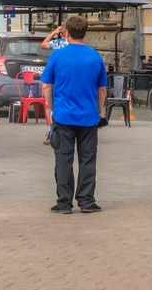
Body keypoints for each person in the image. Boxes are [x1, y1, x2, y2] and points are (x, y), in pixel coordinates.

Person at [42, 15, 108, 213]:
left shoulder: (58, 55)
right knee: (88, 159)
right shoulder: (95, 56)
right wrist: (99, 111)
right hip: (88, 117)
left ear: (67, 33)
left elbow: (46, 85)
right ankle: (87, 201)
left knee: (63, 158)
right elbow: (102, 89)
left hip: (63, 116)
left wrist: (50, 107)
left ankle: (64, 203)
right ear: (84, 32)